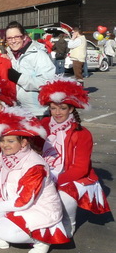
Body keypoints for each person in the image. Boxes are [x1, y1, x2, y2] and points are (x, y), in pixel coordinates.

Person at [0, 106, 70, 253]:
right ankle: (0, 239)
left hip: (37, 208)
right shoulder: (4, 155)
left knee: (3, 228)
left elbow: (23, 202)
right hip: (12, 201)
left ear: (24, 142)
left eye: (11, 141)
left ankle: (42, 240)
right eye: (2, 141)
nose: (5, 145)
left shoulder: (34, 165)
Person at [38, 77, 110, 236]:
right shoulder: (43, 125)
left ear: (71, 109)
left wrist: (54, 181)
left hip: (74, 177)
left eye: (62, 108)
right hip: (48, 171)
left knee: (64, 196)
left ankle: (68, 225)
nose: (57, 113)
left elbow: (80, 168)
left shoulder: (82, 134)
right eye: (53, 108)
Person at [4, 21, 56, 117]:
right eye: (9, 38)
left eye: (16, 37)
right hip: (17, 111)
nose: (13, 41)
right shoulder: (10, 56)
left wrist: (20, 78)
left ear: (24, 37)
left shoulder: (38, 54)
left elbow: (48, 82)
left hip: (37, 112)